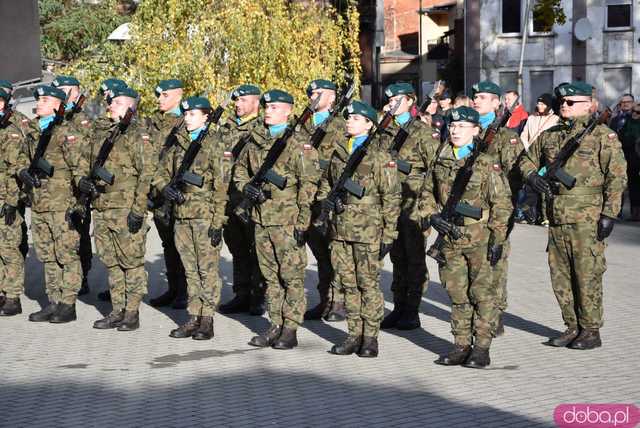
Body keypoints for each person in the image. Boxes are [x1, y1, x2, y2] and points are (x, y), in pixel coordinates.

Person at [522, 81, 627, 350]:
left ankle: (590, 330)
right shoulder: (550, 134)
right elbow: (526, 159)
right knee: (561, 275)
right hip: (556, 216)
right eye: (562, 103)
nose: (563, 106)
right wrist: (532, 176)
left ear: (588, 105)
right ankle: (572, 326)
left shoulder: (603, 136)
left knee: (587, 274)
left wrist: (609, 214)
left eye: (570, 102)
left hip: (587, 218)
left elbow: (616, 177)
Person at [415, 106, 512, 368]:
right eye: (453, 125)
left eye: (462, 126)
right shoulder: (440, 157)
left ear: (476, 131)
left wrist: (498, 240)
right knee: (457, 294)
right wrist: (431, 215)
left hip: (479, 236)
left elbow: (502, 204)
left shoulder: (485, 163)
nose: (456, 130)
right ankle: (460, 344)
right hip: (450, 238)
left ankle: (481, 347)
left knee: (482, 293)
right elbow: (426, 193)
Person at [235, 89, 321, 350]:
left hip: (287, 221)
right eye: (266, 107)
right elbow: (239, 169)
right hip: (262, 220)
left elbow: (309, 186)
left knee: (291, 277)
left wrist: (302, 223)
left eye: (274, 108)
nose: (268, 112)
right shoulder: (256, 139)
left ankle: (291, 328)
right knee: (270, 277)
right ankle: (274, 324)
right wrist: (246, 186)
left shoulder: (299, 144)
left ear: (288, 111)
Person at [317, 100, 401, 357]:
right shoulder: (339, 152)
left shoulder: (379, 157)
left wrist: (389, 234)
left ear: (369, 124)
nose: (349, 122)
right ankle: (354, 334)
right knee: (347, 284)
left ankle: (371, 337)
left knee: (368, 284)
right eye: (348, 118)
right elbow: (325, 185)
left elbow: (392, 197)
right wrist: (326, 205)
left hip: (368, 230)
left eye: (355, 119)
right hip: (340, 229)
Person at [77, 86, 154, 331]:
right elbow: (83, 161)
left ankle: (132, 312)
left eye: (117, 103)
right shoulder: (102, 133)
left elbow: (147, 175)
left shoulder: (137, 135)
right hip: (102, 207)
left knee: (131, 263)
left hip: (125, 208)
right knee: (111, 262)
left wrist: (138, 210)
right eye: (111, 103)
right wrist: (82, 180)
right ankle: (117, 309)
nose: (110, 106)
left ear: (131, 107)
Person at [153, 96, 230, 340]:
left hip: (205, 217)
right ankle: (193, 316)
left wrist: (218, 222)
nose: (187, 118)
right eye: (185, 114)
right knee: (190, 270)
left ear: (206, 117)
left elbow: (221, 188)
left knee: (206, 270)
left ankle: (207, 319)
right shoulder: (177, 143)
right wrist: (166, 188)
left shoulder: (216, 144)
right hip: (182, 216)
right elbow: (159, 173)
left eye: (193, 114)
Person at [17, 85, 85, 323]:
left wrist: (79, 203)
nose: (39, 104)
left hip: (61, 204)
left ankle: (68, 304)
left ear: (57, 104)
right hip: (39, 203)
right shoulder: (34, 131)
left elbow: (80, 168)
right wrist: (23, 172)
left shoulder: (66, 131)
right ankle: (53, 301)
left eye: (45, 100)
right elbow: (21, 160)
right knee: (47, 255)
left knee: (66, 254)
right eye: (39, 100)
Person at [378, 82, 438, 331]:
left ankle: (412, 310)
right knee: (397, 256)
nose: (391, 104)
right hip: (391, 203)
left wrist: (427, 208)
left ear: (411, 101)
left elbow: (435, 170)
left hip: (414, 202)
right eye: (389, 100)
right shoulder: (384, 130)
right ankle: (399, 306)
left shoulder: (423, 132)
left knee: (414, 259)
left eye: (397, 100)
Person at [472, 81, 525, 335]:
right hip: (467, 211)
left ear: (497, 104)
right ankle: (473, 312)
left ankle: (496, 313)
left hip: (495, 210)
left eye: (483, 97)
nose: (476, 100)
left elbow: (515, 176)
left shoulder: (506, 137)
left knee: (495, 262)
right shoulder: (464, 132)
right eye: (475, 97)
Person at [297, 79, 346, 322]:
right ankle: (325, 299)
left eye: (319, 93)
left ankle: (339, 301)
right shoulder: (301, 123)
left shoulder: (341, 125)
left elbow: (346, 161)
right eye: (311, 93)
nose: (313, 96)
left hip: (328, 195)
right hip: (305, 197)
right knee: (318, 251)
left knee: (334, 249)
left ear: (333, 97)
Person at [217, 84, 266, 316]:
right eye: (236, 101)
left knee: (256, 248)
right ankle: (241, 293)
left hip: (249, 198)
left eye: (243, 100)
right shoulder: (226, 127)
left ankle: (258, 295)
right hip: (227, 197)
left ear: (256, 102)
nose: (238, 104)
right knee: (236, 248)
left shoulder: (261, 127)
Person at [145, 78, 188, 310]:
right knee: (168, 244)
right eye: (159, 96)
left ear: (179, 95)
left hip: (176, 192)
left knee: (181, 244)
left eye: (165, 95)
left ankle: (185, 291)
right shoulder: (153, 121)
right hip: (158, 191)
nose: (159, 100)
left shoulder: (186, 120)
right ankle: (173, 288)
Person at [51, 75, 93, 296]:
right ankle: (63, 278)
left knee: (80, 233)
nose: (64, 95)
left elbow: (87, 153)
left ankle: (83, 276)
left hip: (78, 188)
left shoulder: (82, 119)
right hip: (58, 189)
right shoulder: (58, 117)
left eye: (67, 90)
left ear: (76, 92)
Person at [0, 88, 26, 316]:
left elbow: (14, 170)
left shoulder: (11, 131)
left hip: (4, 199)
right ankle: (2, 292)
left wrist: (11, 201)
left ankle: (12, 297)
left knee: (9, 249)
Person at [517, 93, 560, 224]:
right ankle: (530, 214)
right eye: (538, 103)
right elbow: (524, 135)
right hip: (531, 154)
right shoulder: (531, 118)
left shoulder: (555, 119)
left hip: (546, 157)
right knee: (530, 184)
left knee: (545, 185)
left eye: (542, 104)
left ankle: (545, 216)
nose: (539, 106)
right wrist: (526, 147)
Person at [619, 103, 640, 221]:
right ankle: (633, 213)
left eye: (638, 112)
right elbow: (621, 138)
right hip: (629, 159)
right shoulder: (627, 123)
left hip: (637, 159)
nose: (634, 114)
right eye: (633, 111)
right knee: (631, 187)